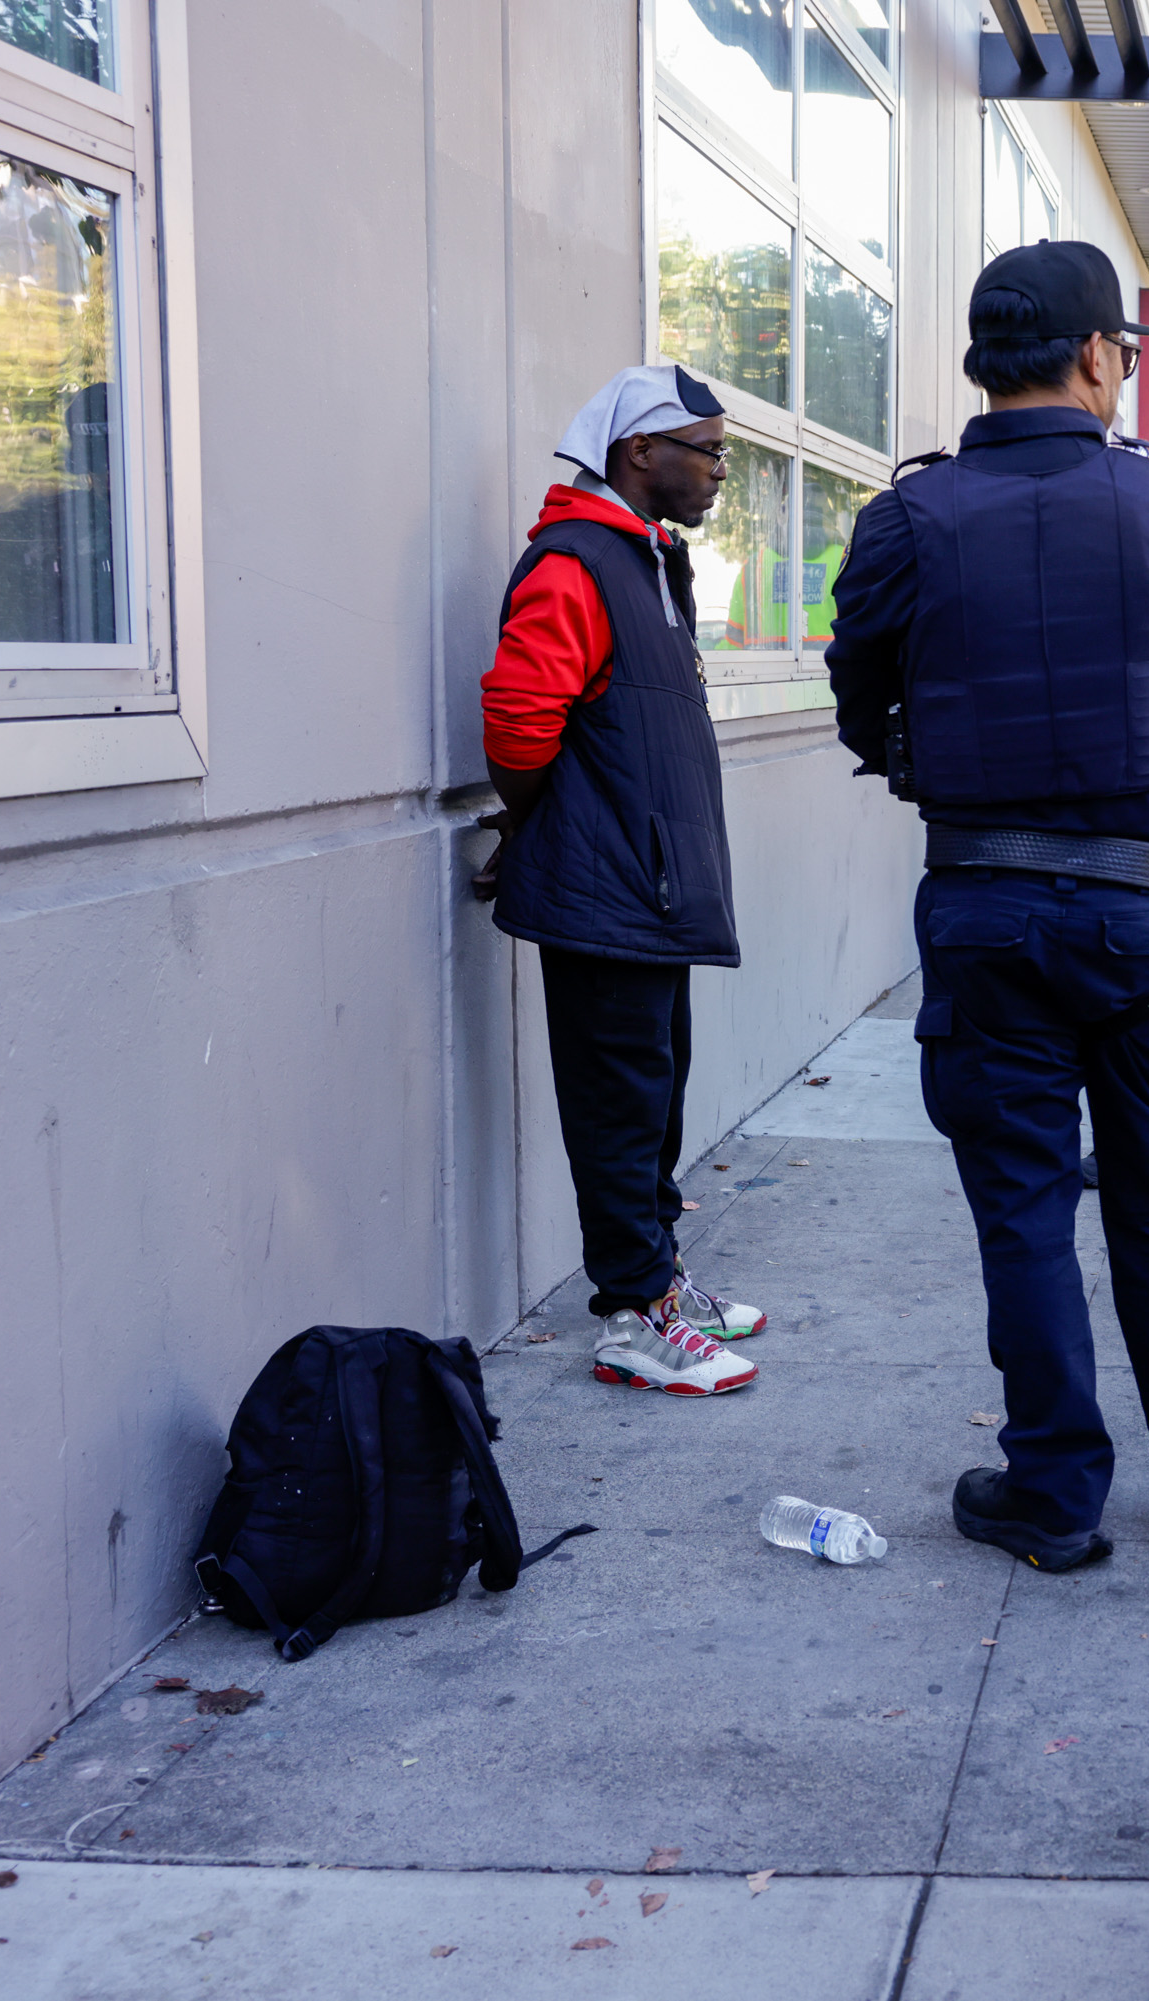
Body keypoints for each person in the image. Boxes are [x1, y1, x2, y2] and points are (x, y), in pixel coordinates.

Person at [823, 239, 1149, 1573]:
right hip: (1144, 913)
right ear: (1093, 356)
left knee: (1023, 1204)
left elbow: (861, 699)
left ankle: (1056, 1491)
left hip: (984, 914)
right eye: (1121, 357)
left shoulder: (905, 518)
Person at [480, 363, 768, 1397]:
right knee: (617, 1104)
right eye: (708, 449)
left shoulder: (645, 559)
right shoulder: (573, 565)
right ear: (639, 452)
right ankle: (630, 1316)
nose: (720, 470)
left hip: (646, 886)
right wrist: (542, 822)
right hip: (605, 890)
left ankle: (659, 1279)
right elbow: (518, 721)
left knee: (655, 1093)